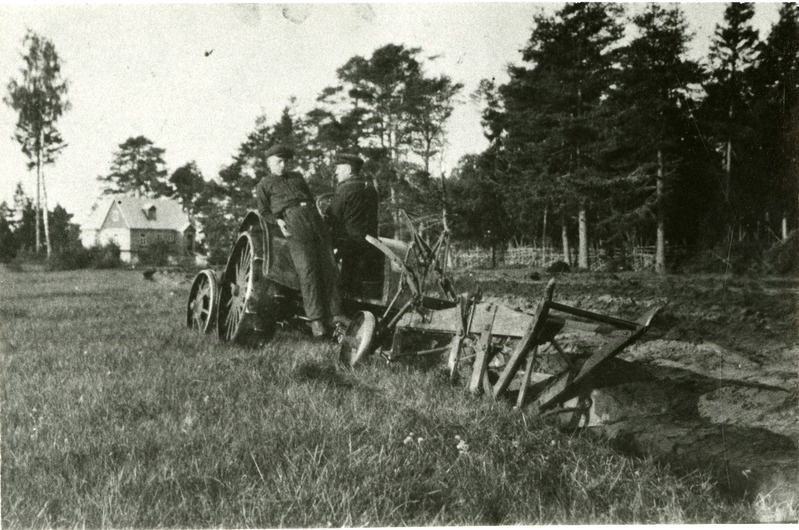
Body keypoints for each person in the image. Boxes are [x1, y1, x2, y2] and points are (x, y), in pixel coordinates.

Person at [254, 145, 346, 338]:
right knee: (308, 270)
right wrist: (278, 221)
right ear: (269, 162)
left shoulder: (297, 177)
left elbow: (310, 199)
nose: (283, 165)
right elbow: (263, 211)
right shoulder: (264, 183)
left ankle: (337, 316)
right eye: (279, 161)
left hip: (314, 220)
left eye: (286, 161)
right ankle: (317, 321)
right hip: (292, 221)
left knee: (330, 267)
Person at [326, 153, 383, 298]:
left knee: (346, 290)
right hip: (371, 245)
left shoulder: (344, 189)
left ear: (349, 170)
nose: (336, 172)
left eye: (339, 168)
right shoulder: (370, 188)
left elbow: (332, 218)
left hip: (350, 248)